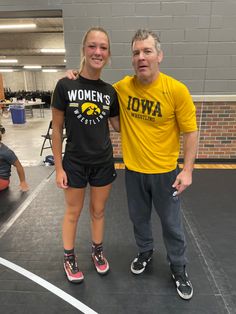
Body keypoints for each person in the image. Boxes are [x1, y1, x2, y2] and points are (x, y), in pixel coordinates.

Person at [67, 29, 198, 300]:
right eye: (136, 52)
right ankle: (145, 252)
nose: (141, 57)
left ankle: (178, 267)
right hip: (134, 171)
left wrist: (187, 170)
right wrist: (73, 78)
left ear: (159, 55)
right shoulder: (122, 88)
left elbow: (191, 131)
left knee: (171, 224)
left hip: (165, 174)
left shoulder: (176, 90)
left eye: (147, 51)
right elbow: (92, 87)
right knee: (138, 220)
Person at [51, 27, 120, 284]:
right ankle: (69, 258)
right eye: (92, 46)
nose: (97, 52)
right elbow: (56, 130)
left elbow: (119, 126)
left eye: (103, 47)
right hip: (75, 162)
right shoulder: (65, 85)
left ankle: (97, 252)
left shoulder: (110, 92)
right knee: (73, 212)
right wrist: (59, 168)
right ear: (83, 49)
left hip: (102, 161)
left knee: (98, 211)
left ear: (108, 54)